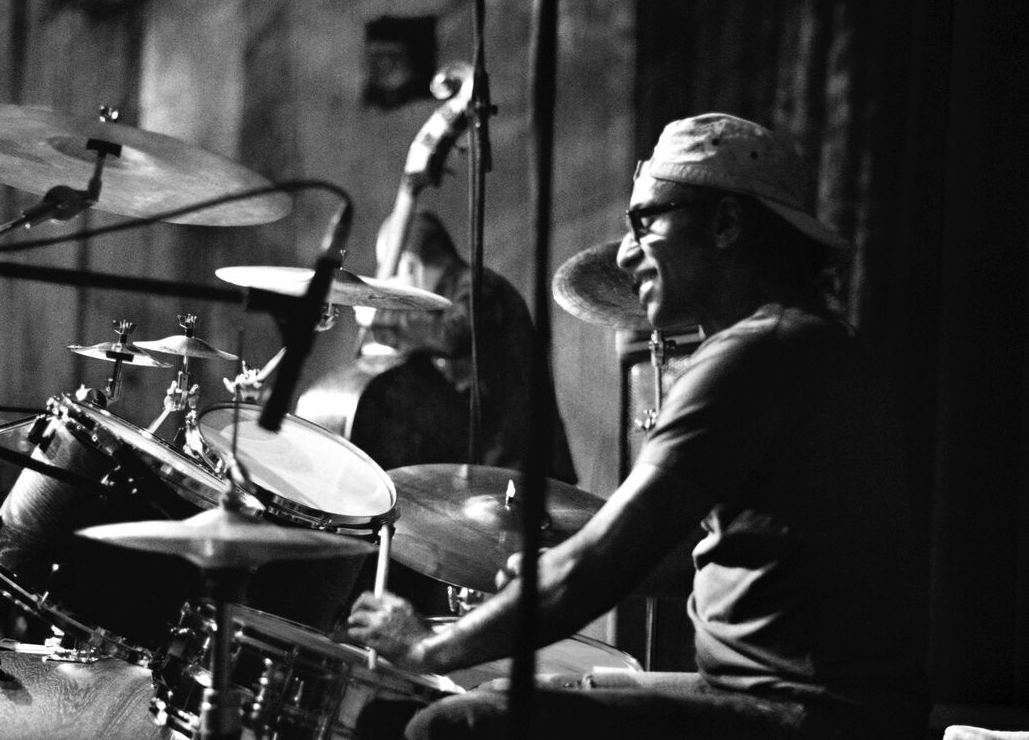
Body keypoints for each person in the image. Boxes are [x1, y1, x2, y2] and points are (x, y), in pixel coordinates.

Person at [346, 114, 929, 739]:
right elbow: (703, 553)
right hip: (802, 701)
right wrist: (553, 560)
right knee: (522, 693)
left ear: (726, 224)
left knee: (455, 725)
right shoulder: (806, 339)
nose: (625, 254)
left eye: (645, 222)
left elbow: (603, 565)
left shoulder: (757, 353)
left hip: (810, 718)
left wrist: (427, 647)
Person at [357, 210, 576, 485]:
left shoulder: (478, 285)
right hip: (498, 458)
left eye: (394, 275)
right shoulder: (455, 293)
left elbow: (452, 335)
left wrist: (382, 315)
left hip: (523, 461)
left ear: (409, 265)